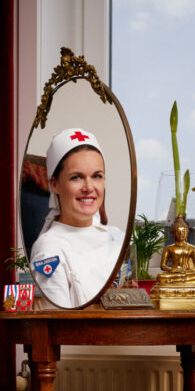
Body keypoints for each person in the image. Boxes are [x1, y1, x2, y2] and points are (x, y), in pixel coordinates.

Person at [30, 128, 126, 308]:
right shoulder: (49, 250)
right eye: (76, 178)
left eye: (97, 176)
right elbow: (59, 329)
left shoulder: (117, 237)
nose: (89, 187)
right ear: (55, 184)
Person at [156, 218, 195, 285]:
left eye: (183, 231)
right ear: (174, 233)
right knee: (160, 277)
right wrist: (171, 270)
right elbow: (163, 265)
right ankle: (180, 280)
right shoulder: (169, 248)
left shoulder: (192, 248)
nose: (181, 234)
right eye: (178, 232)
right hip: (174, 273)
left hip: (188, 273)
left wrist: (190, 271)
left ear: (187, 232)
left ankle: (175, 281)